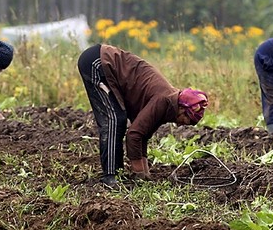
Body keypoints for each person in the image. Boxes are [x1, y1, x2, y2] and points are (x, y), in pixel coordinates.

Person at [77, 43, 209, 187]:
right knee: (114, 119)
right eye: (186, 120)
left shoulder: (168, 105)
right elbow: (134, 135)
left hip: (103, 63)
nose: (181, 124)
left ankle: (118, 174)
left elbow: (142, 134)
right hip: (98, 62)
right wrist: (139, 174)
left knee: (119, 120)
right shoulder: (164, 100)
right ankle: (110, 177)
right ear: (183, 109)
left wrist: (146, 173)